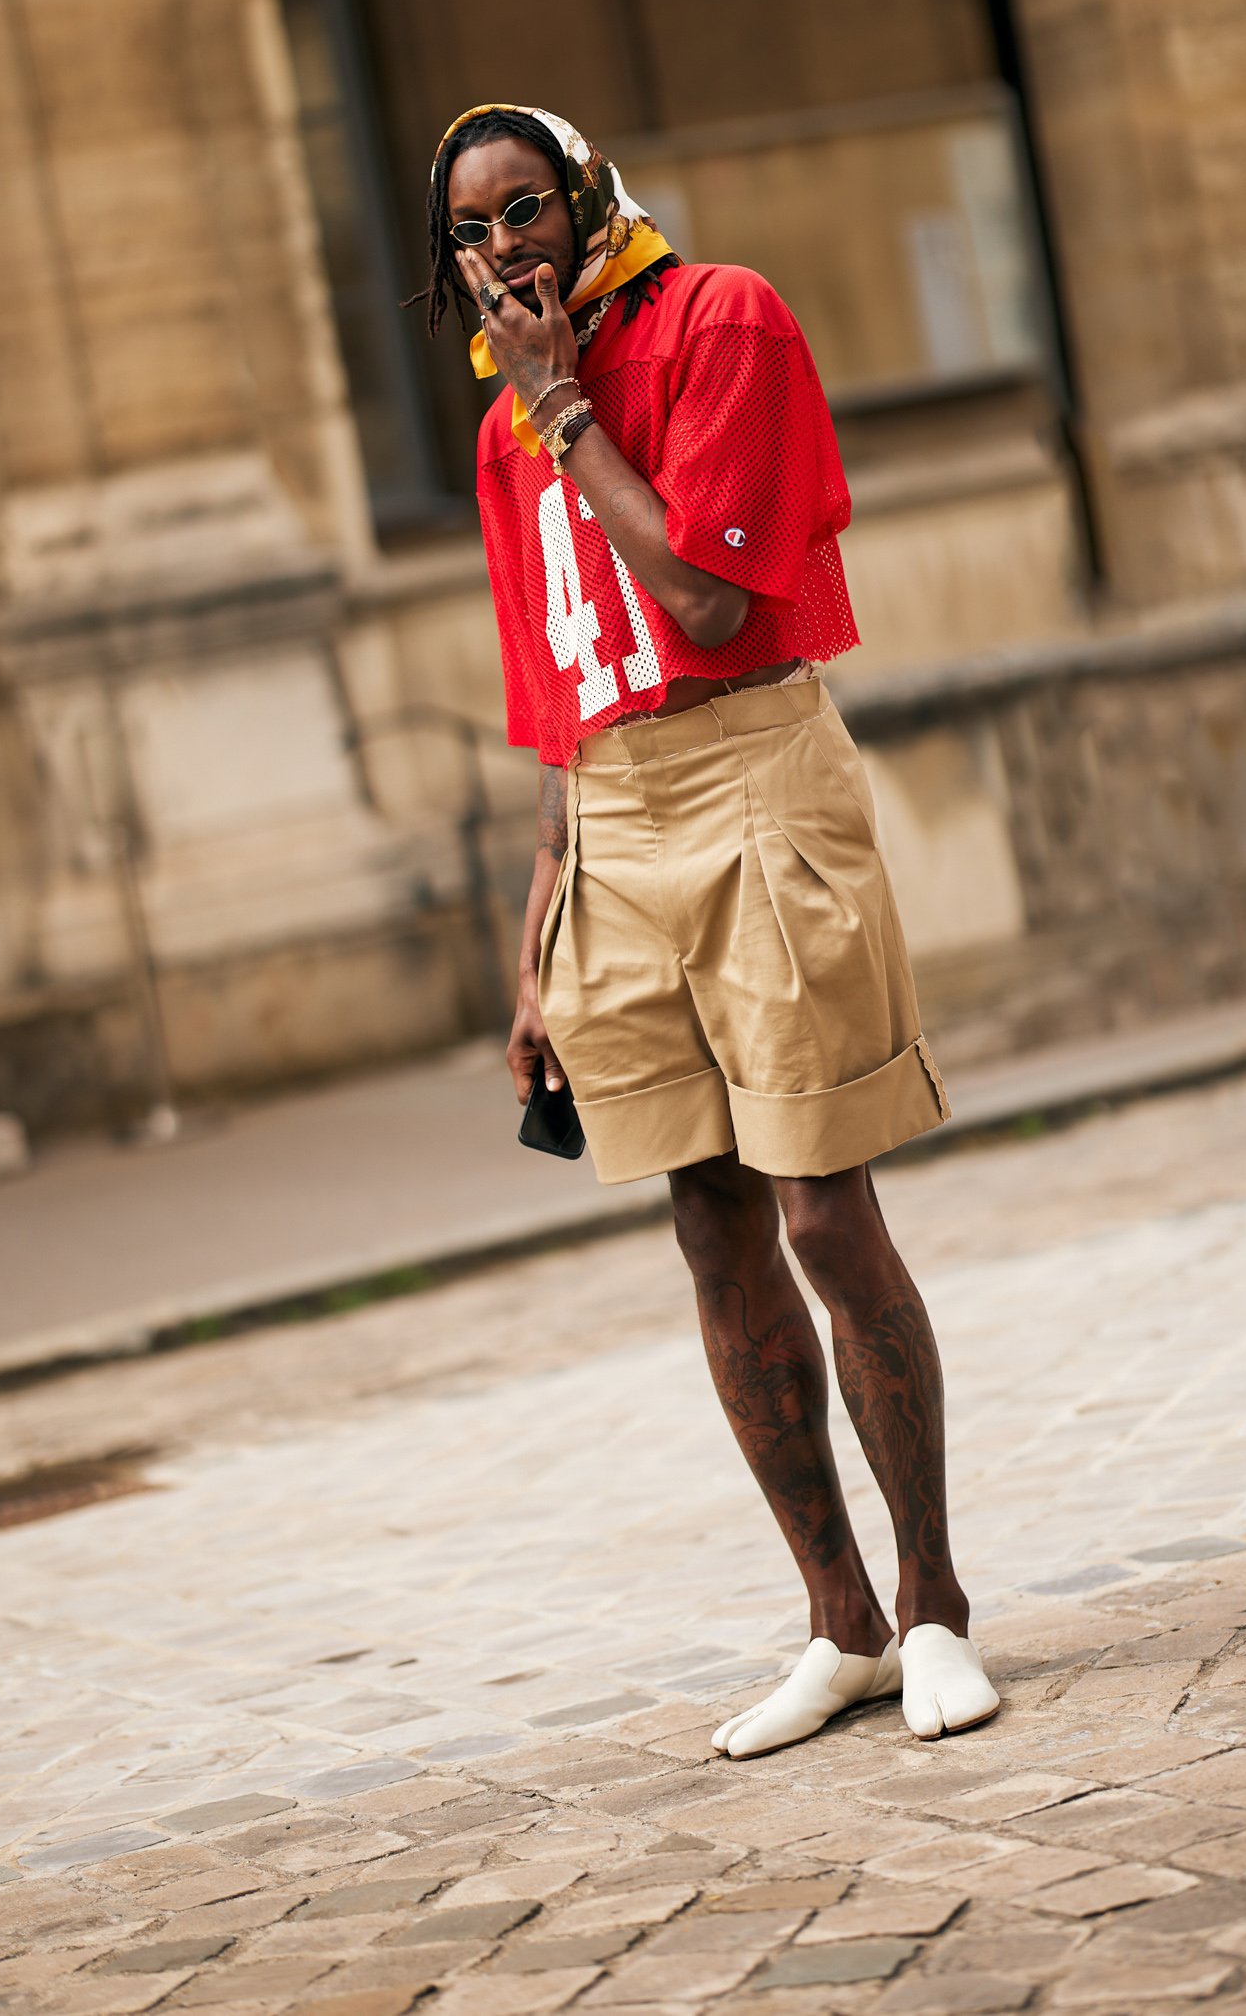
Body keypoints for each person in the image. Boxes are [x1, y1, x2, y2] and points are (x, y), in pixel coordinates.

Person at [425, 104, 1000, 1755]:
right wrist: (541, 928)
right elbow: (553, 684)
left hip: (753, 768)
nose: (500, 253)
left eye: (525, 212)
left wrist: (564, 409)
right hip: (610, 813)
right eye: (468, 235)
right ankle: (841, 1626)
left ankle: (938, 1603)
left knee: (823, 1208)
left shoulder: (720, 320)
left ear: (589, 197)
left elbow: (705, 602)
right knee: (711, 1223)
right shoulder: (498, 438)